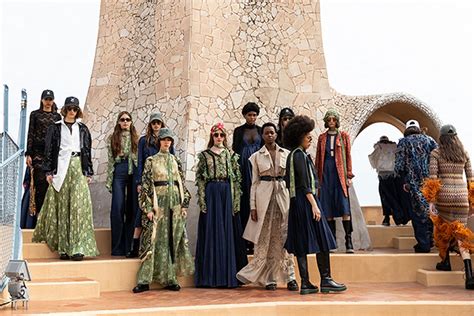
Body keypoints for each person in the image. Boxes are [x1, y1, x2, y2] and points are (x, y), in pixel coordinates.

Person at [284, 115, 346, 295]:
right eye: (307, 135)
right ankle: (326, 280)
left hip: (296, 203)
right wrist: (315, 205)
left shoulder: (294, 155)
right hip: (306, 202)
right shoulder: (299, 156)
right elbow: (304, 184)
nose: (310, 138)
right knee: (323, 239)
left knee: (301, 242)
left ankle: (306, 283)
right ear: (298, 136)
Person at [32, 97, 98, 261]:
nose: (72, 112)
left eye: (75, 109)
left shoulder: (83, 128)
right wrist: (48, 171)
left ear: (78, 111)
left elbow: (87, 151)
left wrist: (88, 171)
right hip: (61, 168)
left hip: (77, 166)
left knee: (78, 207)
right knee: (63, 207)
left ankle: (78, 248)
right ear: (64, 110)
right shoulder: (55, 128)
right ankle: (64, 248)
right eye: (69, 108)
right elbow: (49, 151)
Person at [237, 122, 298, 291]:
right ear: (262, 135)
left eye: (272, 132)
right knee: (267, 237)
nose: (270, 135)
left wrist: (293, 202)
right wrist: (253, 207)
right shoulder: (256, 156)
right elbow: (254, 183)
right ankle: (269, 278)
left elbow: (292, 181)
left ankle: (290, 277)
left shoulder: (287, 154)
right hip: (264, 199)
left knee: (284, 237)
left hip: (282, 198)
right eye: (266, 133)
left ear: (276, 134)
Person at [132, 128, 193, 293]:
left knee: (171, 241)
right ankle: (144, 280)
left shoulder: (175, 161)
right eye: (164, 139)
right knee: (153, 239)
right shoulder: (151, 161)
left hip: (174, 206)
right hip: (158, 206)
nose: (167, 142)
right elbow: (145, 186)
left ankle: (170, 278)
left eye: (169, 140)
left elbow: (181, 183)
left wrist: (184, 205)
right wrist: (148, 208)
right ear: (159, 141)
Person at [195, 123, 248, 288]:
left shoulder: (232, 155)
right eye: (216, 135)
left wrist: (236, 202)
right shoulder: (204, 156)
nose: (219, 138)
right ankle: (211, 277)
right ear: (212, 136)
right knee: (212, 230)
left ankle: (227, 276)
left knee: (227, 232)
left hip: (227, 193)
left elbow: (237, 180)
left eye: (221, 135)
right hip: (212, 193)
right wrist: (203, 201)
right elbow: (201, 180)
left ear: (225, 137)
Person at [421, 124, 474, 290]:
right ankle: (469, 273)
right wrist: (472, 201)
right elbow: (471, 179)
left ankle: (445, 262)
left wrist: (431, 202)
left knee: (441, 228)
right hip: (461, 198)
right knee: (460, 233)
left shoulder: (436, 153)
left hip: (444, 197)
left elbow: (433, 179)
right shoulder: (463, 153)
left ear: (441, 138)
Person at [127, 112, 174, 258]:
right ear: (150, 124)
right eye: (154, 123)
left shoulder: (167, 141)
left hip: (162, 182)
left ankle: (158, 249)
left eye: (158, 123)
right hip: (147, 180)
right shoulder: (143, 141)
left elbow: (172, 159)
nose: (156, 125)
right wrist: (139, 182)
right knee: (141, 214)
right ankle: (135, 246)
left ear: (161, 124)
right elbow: (140, 161)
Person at [395, 119, 438, 253]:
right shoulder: (429, 140)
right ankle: (430, 240)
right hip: (430, 181)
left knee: (417, 213)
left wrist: (403, 181)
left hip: (412, 183)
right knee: (430, 210)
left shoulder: (404, 142)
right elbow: (437, 156)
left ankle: (423, 244)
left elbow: (399, 165)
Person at [315, 109, 355, 253]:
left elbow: (348, 156)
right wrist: (316, 178)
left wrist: (349, 175)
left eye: (333, 119)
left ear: (337, 121)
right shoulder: (321, 137)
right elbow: (318, 158)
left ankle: (348, 241)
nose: (331, 122)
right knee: (327, 207)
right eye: (329, 119)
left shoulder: (344, 136)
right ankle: (332, 241)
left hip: (340, 173)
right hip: (326, 173)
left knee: (344, 207)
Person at [25, 89, 61, 228]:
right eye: (46, 99)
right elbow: (31, 134)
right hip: (38, 155)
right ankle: (39, 222)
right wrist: (29, 154)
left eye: (50, 99)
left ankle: (50, 223)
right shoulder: (35, 115)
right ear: (42, 100)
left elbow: (58, 138)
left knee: (51, 188)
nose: (48, 102)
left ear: (53, 100)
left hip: (52, 156)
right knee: (39, 188)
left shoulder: (57, 117)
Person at [106, 111, 139, 256]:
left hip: (133, 171)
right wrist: (109, 180)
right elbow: (110, 160)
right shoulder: (112, 138)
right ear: (118, 122)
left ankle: (129, 247)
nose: (125, 122)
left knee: (132, 209)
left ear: (131, 122)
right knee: (117, 208)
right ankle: (117, 247)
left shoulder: (137, 139)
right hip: (119, 171)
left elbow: (139, 159)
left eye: (128, 119)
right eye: (122, 119)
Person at [232, 102, 263, 254]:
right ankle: (245, 240)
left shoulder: (260, 130)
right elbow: (235, 150)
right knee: (245, 203)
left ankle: (257, 239)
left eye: (254, 115)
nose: (252, 117)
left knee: (258, 202)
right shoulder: (238, 131)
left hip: (257, 167)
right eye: (249, 115)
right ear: (244, 116)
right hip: (244, 170)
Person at [368, 136, 411, 226]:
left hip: (384, 175)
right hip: (396, 175)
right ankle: (400, 217)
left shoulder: (379, 146)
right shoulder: (395, 147)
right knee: (396, 196)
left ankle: (388, 218)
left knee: (385, 196)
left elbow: (373, 159)